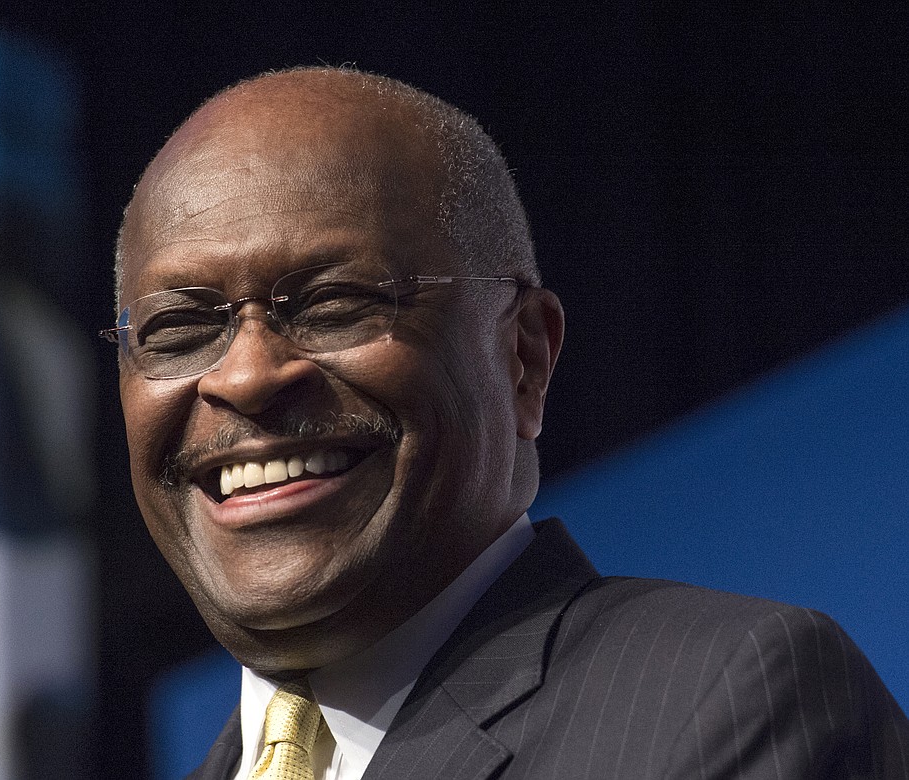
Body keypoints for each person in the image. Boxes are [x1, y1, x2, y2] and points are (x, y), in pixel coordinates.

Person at [105, 67, 909, 778]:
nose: (246, 375)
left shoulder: (733, 698)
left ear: (523, 359)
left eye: (334, 303)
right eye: (180, 329)